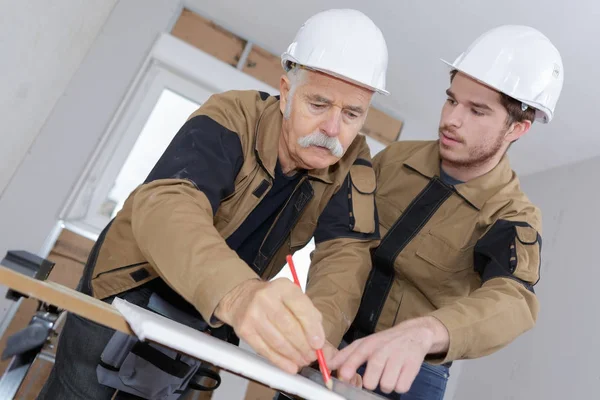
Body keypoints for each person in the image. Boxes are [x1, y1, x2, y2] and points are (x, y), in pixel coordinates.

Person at [37, 9, 389, 400]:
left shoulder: (355, 160)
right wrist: (239, 295)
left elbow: (347, 255)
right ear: (287, 92)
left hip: (212, 314)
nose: (332, 130)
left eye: (352, 113)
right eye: (319, 104)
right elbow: (170, 202)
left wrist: (315, 337)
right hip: (135, 282)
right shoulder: (231, 115)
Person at [330, 25, 564, 400]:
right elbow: (337, 235)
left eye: (477, 111)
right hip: (332, 342)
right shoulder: (394, 160)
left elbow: (513, 299)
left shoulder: (511, 214)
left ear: (517, 128)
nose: (452, 119)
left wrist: (425, 333)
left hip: (410, 373)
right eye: (451, 100)